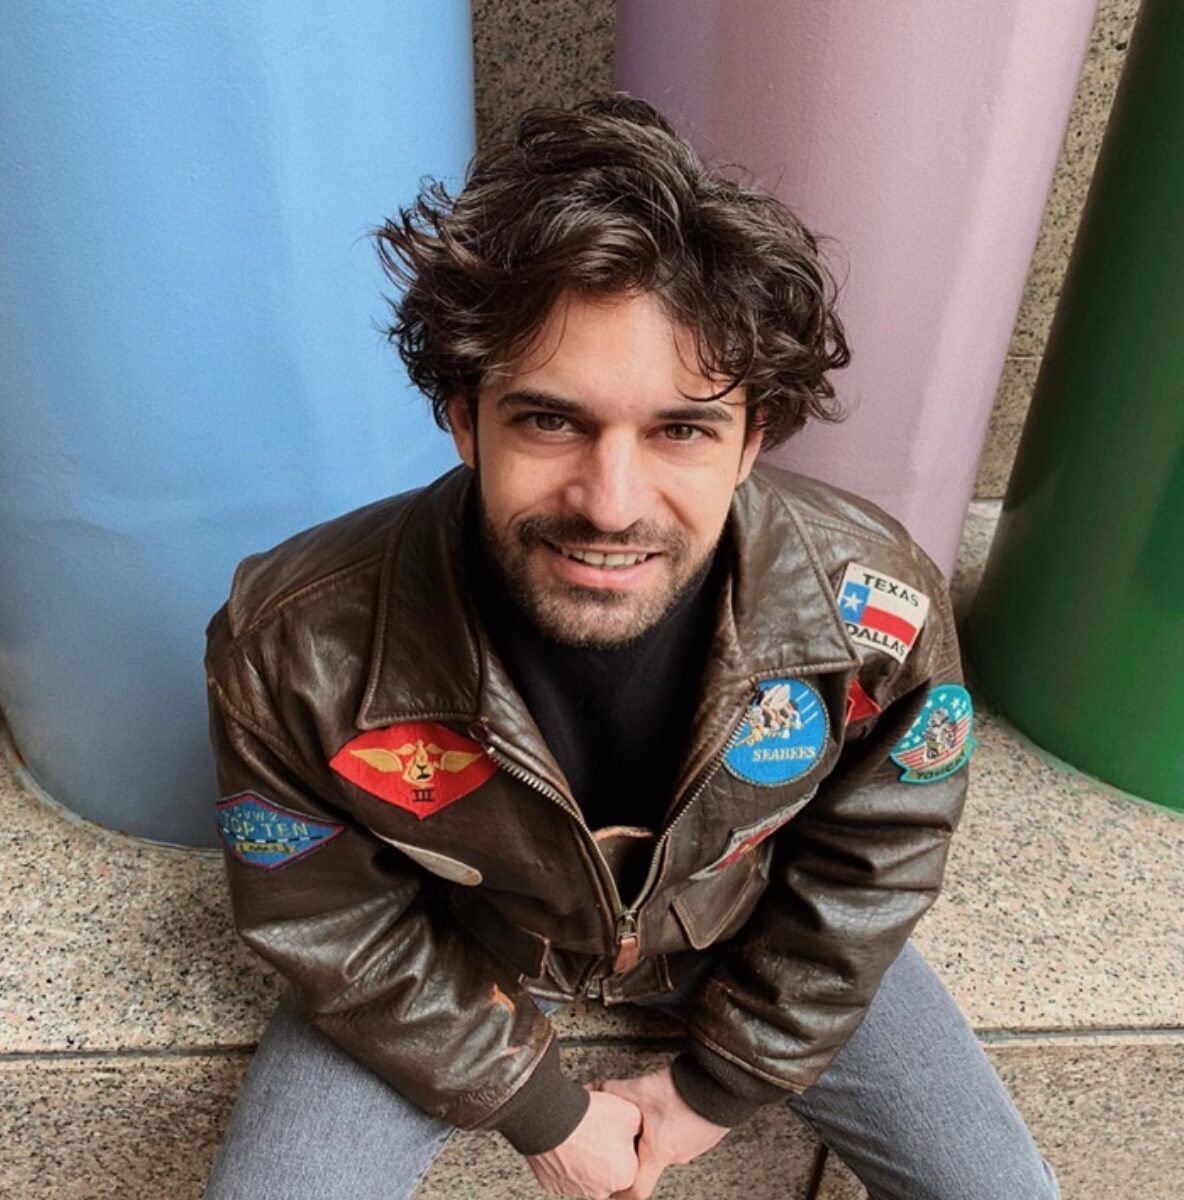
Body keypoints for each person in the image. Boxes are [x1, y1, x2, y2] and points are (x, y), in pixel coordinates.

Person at [202, 95, 1059, 1200]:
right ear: (464, 419)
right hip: (457, 942)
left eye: (681, 429)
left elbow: (877, 853)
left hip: (747, 921)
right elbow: (325, 911)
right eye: (550, 420)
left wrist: (717, 1086)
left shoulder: (870, 607)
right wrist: (541, 1110)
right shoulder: (289, 639)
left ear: (752, 439)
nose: (610, 504)